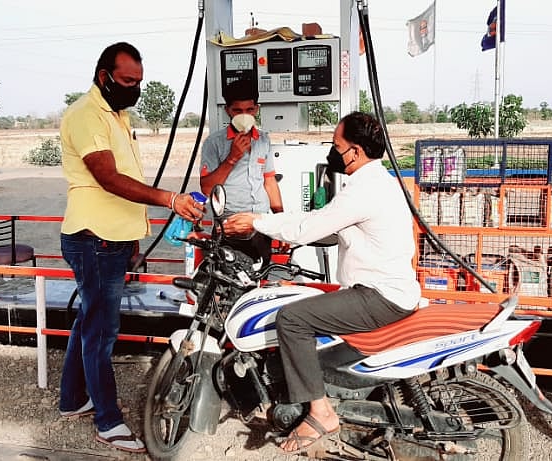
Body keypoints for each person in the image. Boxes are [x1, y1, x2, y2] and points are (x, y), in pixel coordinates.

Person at [222, 111, 420, 453]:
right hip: (387, 289)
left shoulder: (364, 189)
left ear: (355, 152)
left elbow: (307, 228)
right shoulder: (380, 181)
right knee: (301, 297)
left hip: (379, 296)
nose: (332, 151)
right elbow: (320, 223)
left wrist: (257, 221)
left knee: (292, 319)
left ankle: (320, 411)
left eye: (336, 145)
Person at [57, 42, 204, 454]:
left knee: (89, 320)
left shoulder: (117, 115)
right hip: (94, 239)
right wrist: (169, 200)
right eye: (126, 81)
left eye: (138, 82)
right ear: (103, 75)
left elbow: (126, 181)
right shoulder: (87, 115)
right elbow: (106, 177)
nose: (133, 89)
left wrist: (134, 235)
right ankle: (108, 421)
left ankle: (72, 400)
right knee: (101, 332)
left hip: (112, 238)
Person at [199, 79, 284, 263]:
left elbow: (269, 181)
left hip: (260, 223)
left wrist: (281, 221)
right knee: (228, 284)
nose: (244, 115)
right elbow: (207, 188)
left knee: (259, 282)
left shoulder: (263, 140)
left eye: (249, 110)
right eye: (237, 111)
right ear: (227, 110)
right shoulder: (214, 143)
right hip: (230, 225)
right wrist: (232, 157)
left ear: (257, 109)